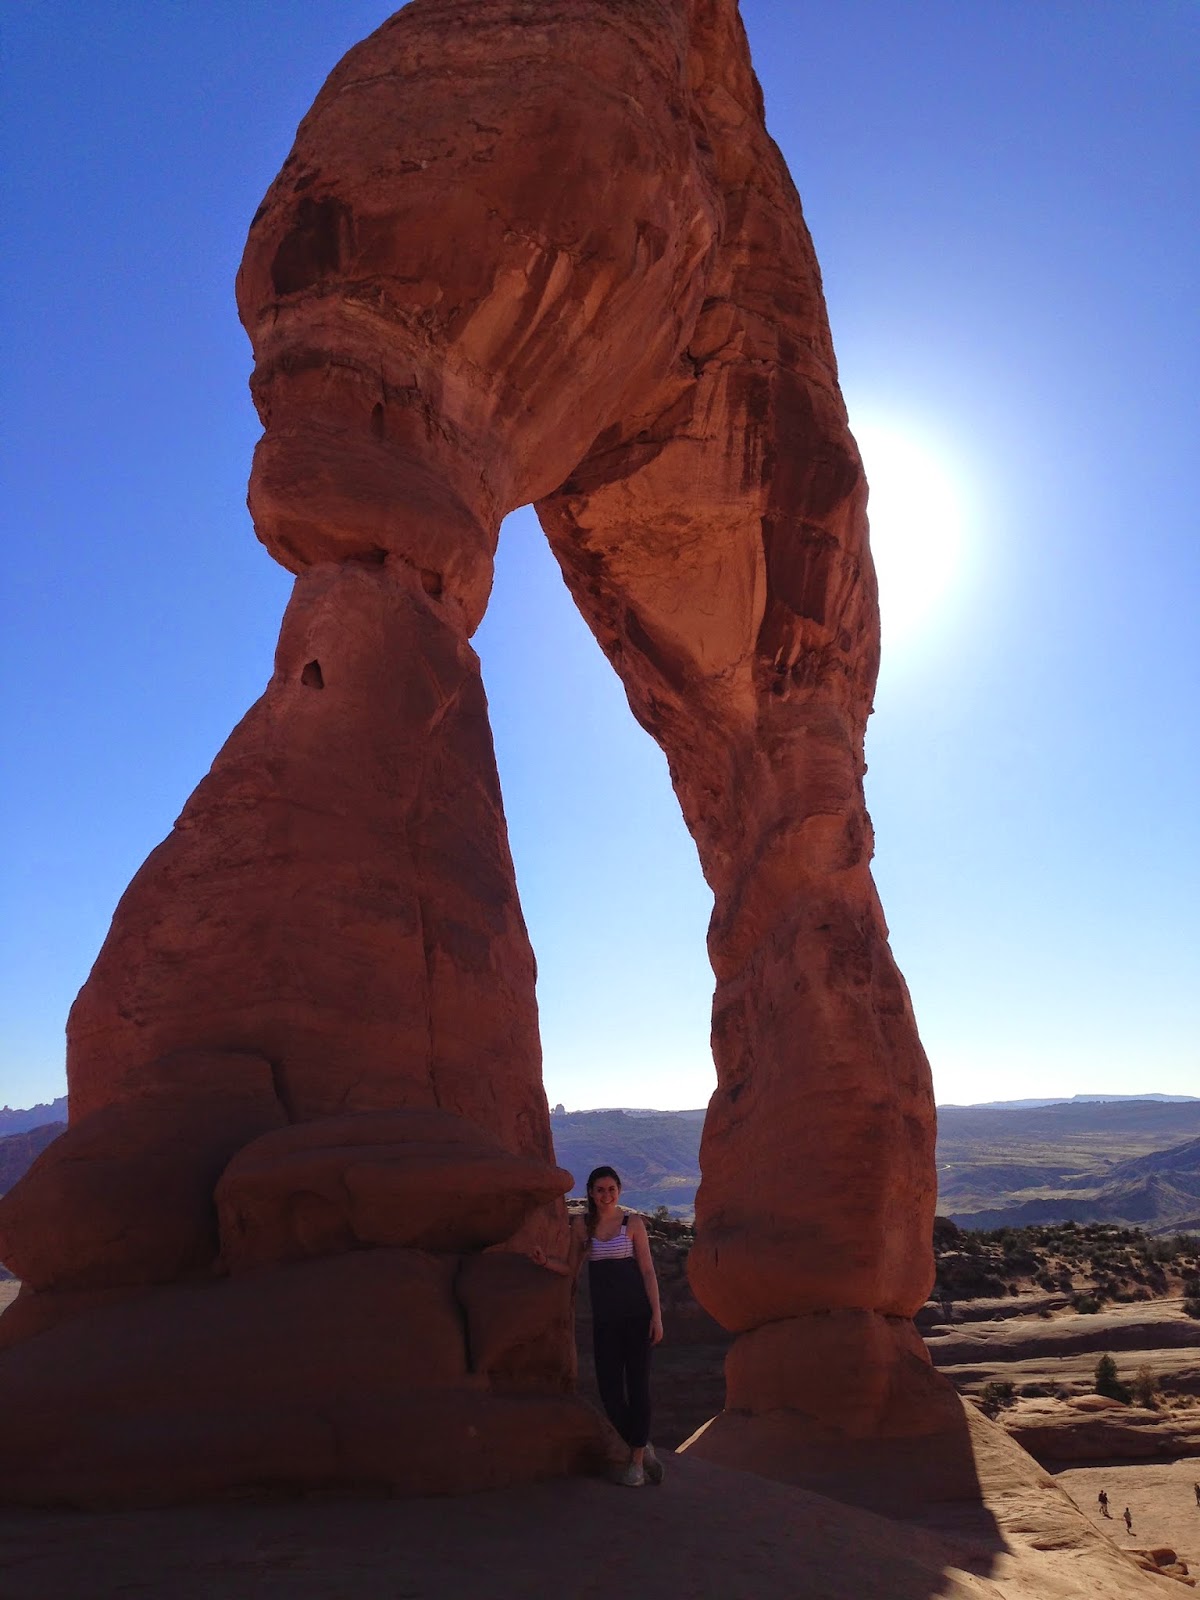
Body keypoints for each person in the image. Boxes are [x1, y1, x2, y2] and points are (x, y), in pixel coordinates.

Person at [548, 1165, 665, 1487]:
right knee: (610, 1393)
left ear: (619, 1191)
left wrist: (657, 1316)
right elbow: (570, 1267)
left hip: (637, 1317)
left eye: (611, 1189)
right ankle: (642, 1445)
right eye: (600, 1190)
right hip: (606, 1321)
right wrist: (546, 1263)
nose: (606, 1195)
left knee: (638, 1387)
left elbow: (648, 1272)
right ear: (590, 1192)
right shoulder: (582, 1226)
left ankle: (636, 1463)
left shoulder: (632, 1223)